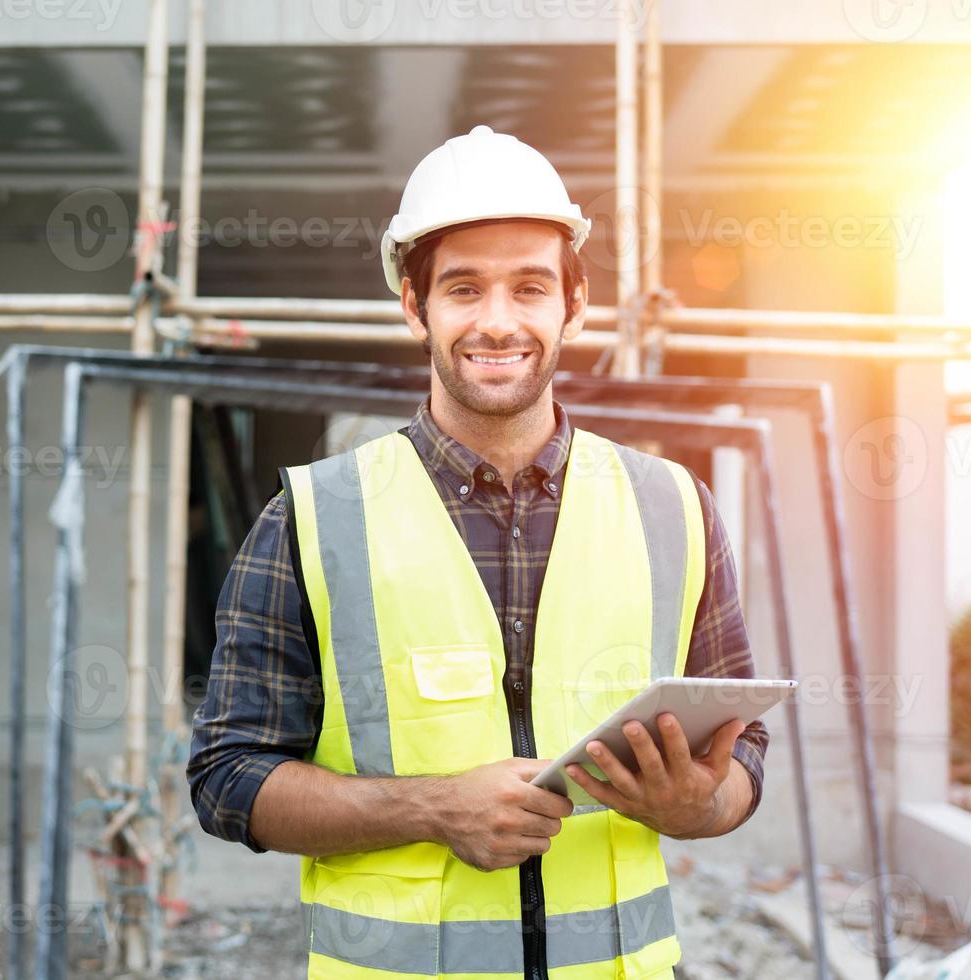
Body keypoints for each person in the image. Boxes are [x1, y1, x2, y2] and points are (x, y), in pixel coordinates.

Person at [186, 126, 769, 980]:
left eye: (529, 287)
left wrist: (702, 805)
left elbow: (743, 744)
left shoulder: (673, 506)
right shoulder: (311, 517)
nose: (498, 322)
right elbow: (226, 778)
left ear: (573, 305)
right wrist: (431, 809)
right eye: (464, 288)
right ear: (416, 308)